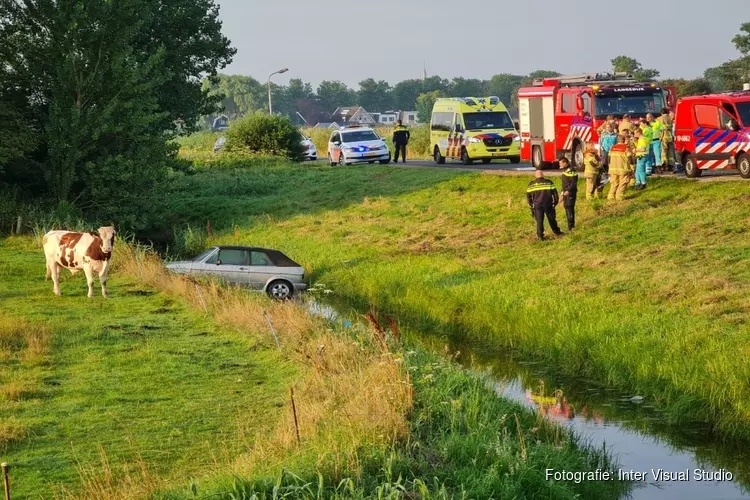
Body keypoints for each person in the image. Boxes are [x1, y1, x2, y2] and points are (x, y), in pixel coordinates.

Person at [526, 170, 562, 240]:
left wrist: (531, 204)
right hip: (548, 204)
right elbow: (555, 193)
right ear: (543, 175)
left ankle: (540, 236)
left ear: (535, 176)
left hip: (537, 205)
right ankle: (557, 232)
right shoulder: (549, 182)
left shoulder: (531, 184)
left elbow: (528, 196)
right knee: (551, 219)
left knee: (539, 221)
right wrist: (555, 202)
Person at [607, 135, 632, 200]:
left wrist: (609, 166)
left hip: (613, 168)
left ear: (617, 140)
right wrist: (632, 167)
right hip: (623, 169)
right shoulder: (625, 148)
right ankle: (619, 196)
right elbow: (630, 158)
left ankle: (610, 196)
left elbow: (608, 158)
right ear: (624, 140)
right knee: (623, 182)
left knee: (614, 183)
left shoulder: (612, 147)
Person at [559, 157, 577, 231]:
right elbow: (564, 183)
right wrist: (562, 192)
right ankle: (570, 226)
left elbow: (573, 183)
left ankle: (571, 227)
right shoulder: (565, 170)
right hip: (565, 193)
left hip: (570, 193)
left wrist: (568, 191)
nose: (559, 164)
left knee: (570, 208)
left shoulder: (571, 170)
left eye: (560, 163)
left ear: (565, 162)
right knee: (566, 208)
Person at [658, 108, 675, 173]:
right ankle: (671, 165)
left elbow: (660, 129)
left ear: (661, 113)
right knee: (670, 152)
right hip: (670, 136)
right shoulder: (670, 118)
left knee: (664, 151)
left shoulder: (660, 119)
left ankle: (664, 164)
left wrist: (660, 137)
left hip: (664, 137)